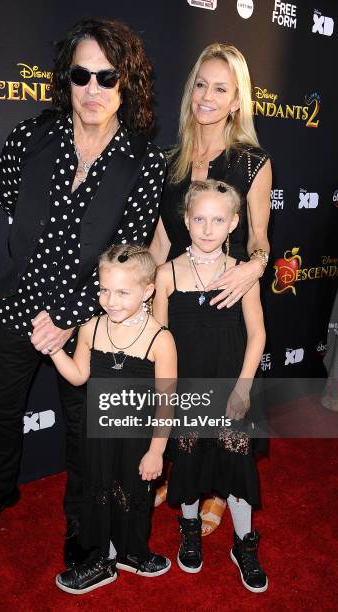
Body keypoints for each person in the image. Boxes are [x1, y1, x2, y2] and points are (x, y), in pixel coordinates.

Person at [0, 19, 166, 564]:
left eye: (107, 75)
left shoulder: (144, 163)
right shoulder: (33, 135)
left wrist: (70, 316)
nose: (93, 88)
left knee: (82, 433)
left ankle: (80, 520)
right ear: (66, 79)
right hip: (18, 303)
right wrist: (36, 272)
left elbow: (127, 251)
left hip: (88, 319)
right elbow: (8, 190)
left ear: (128, 83)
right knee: (1, 409)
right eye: (81, 75)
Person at [150, 42, 272, 533]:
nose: (207, 95)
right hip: (179, 299)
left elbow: (260, 240)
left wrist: (252, 269)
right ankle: (182, 477)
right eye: (201, 83)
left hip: (227, 301)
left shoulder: (251, 163)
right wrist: (143, 303)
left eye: (221, 88)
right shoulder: (170, 160)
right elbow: (161, 240)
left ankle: (222, 491)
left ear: (236, 100)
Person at [41, 244, 177, 594]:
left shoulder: (160, 339)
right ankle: (101, 560)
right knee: (97, 492)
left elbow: (166, 402)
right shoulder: (91, 327)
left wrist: (156, 452)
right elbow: (77, 377)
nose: (110, 300)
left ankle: (133, 553)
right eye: (104, 290)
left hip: (138, 437)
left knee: (135, 495)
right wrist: (54, 350)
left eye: (122, 292)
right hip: (98, 433)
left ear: (147, 291)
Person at [154, 179, 268, 593]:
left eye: (218, 220)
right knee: (188, 464)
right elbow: (160, 338)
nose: (207, 228)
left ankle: (244, 543)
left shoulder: (242, 275)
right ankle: (188, 529)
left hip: (231, 389)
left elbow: (257, 335)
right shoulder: (166, 274)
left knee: (236, 468)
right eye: (199, 218)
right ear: (185, 220)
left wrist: (242, 389)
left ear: (234, 223)